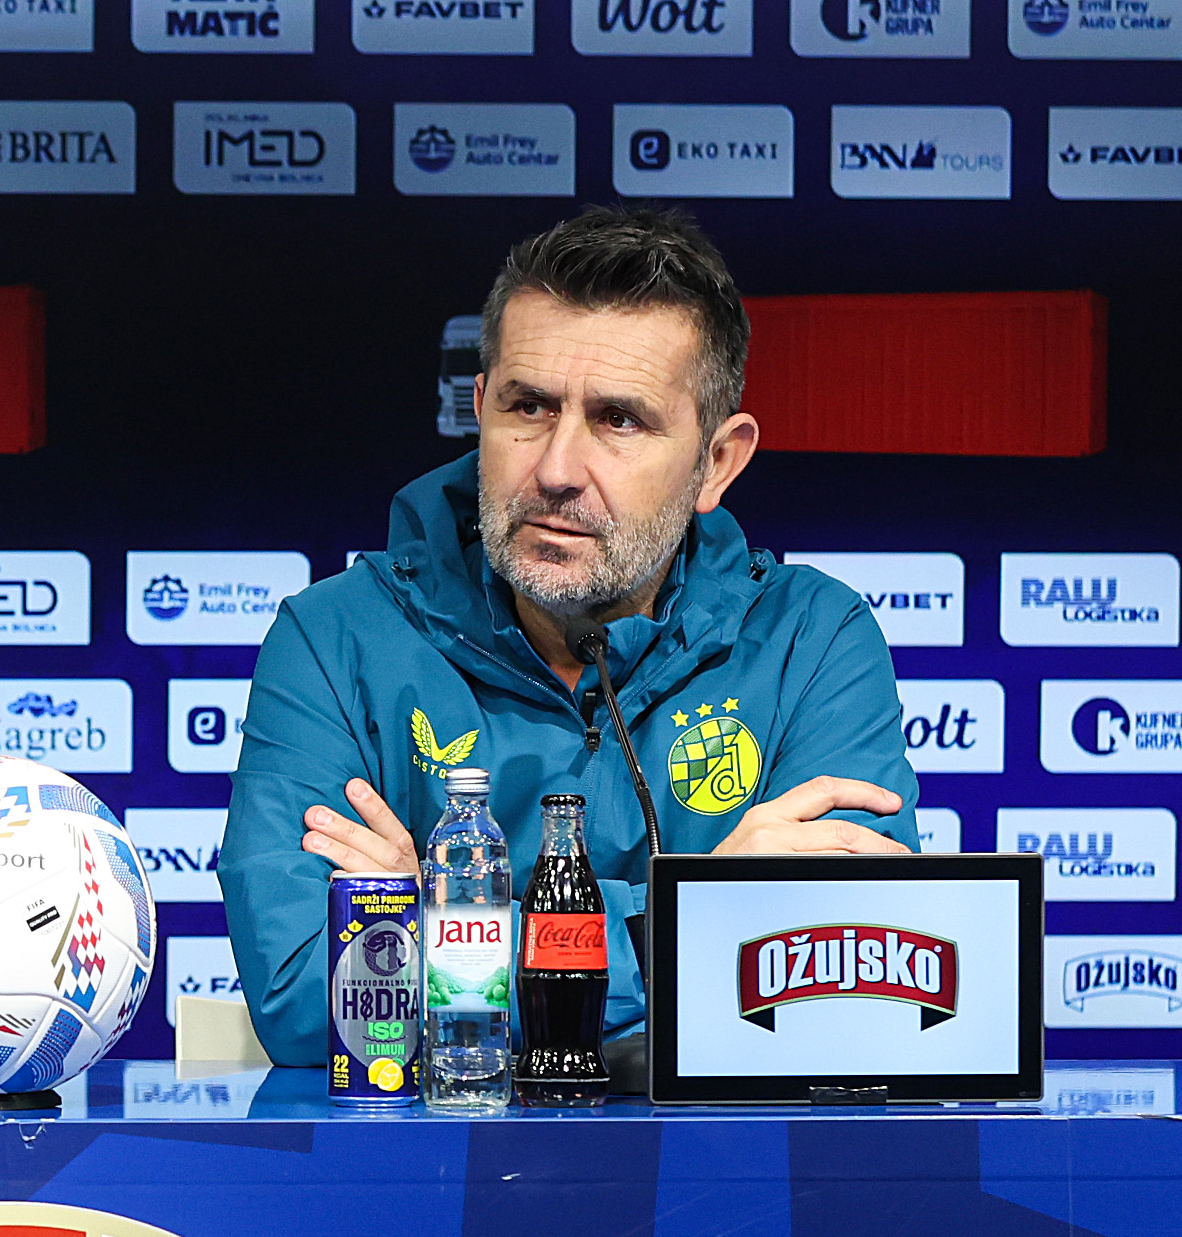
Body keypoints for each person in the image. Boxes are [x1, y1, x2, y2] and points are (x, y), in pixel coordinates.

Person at [220, 205, 917, 1069]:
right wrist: (696, 921)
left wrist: (434, 928)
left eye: (619, 420)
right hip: (434, 1152)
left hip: (720, 1154)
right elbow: (307, 994)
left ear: (717, 462)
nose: (555, 470)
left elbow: (843, 973)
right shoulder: (333, 639)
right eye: (528, 406)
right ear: (481, 407)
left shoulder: (813, 642)